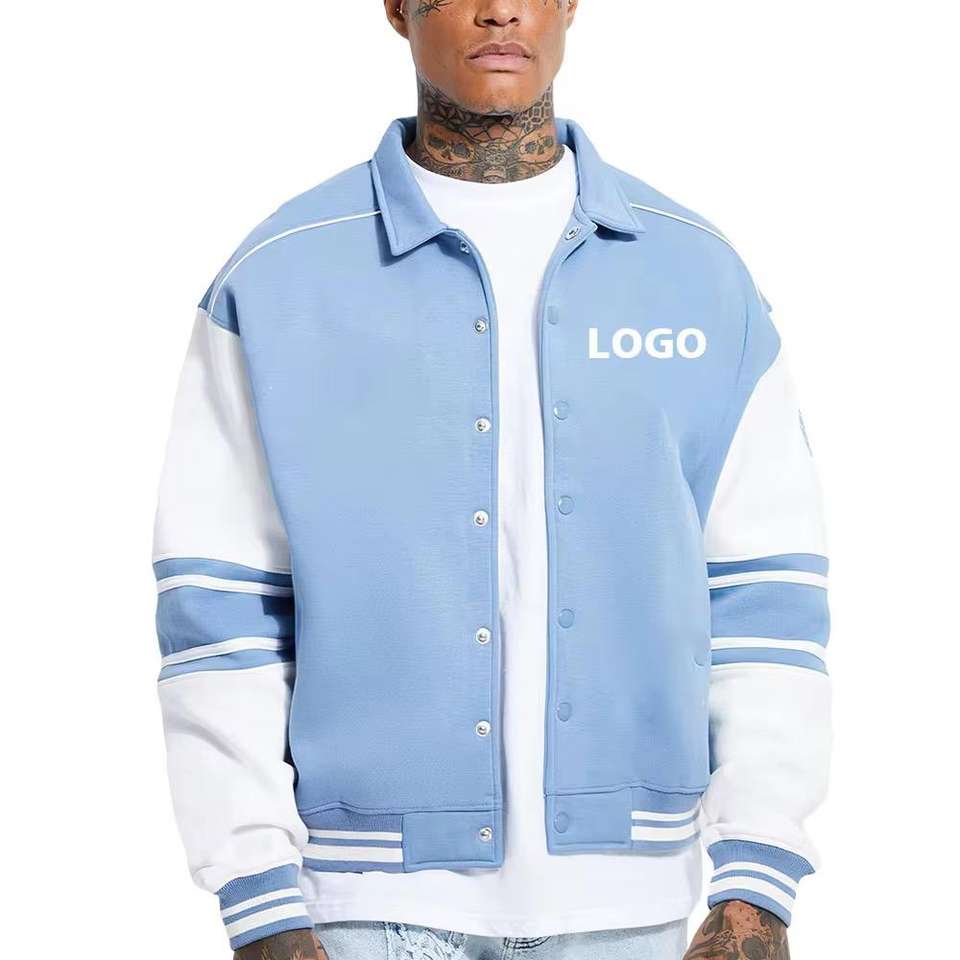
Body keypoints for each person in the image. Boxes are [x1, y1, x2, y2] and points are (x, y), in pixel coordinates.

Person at [152, 2, 831, 958]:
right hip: (361, 909)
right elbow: (218, 610)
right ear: (398, 7)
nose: (500, 8)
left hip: (629, 909)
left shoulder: (698, 279)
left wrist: (757, 877)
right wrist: (257, 894)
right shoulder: (278, 278)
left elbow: (765, 598)